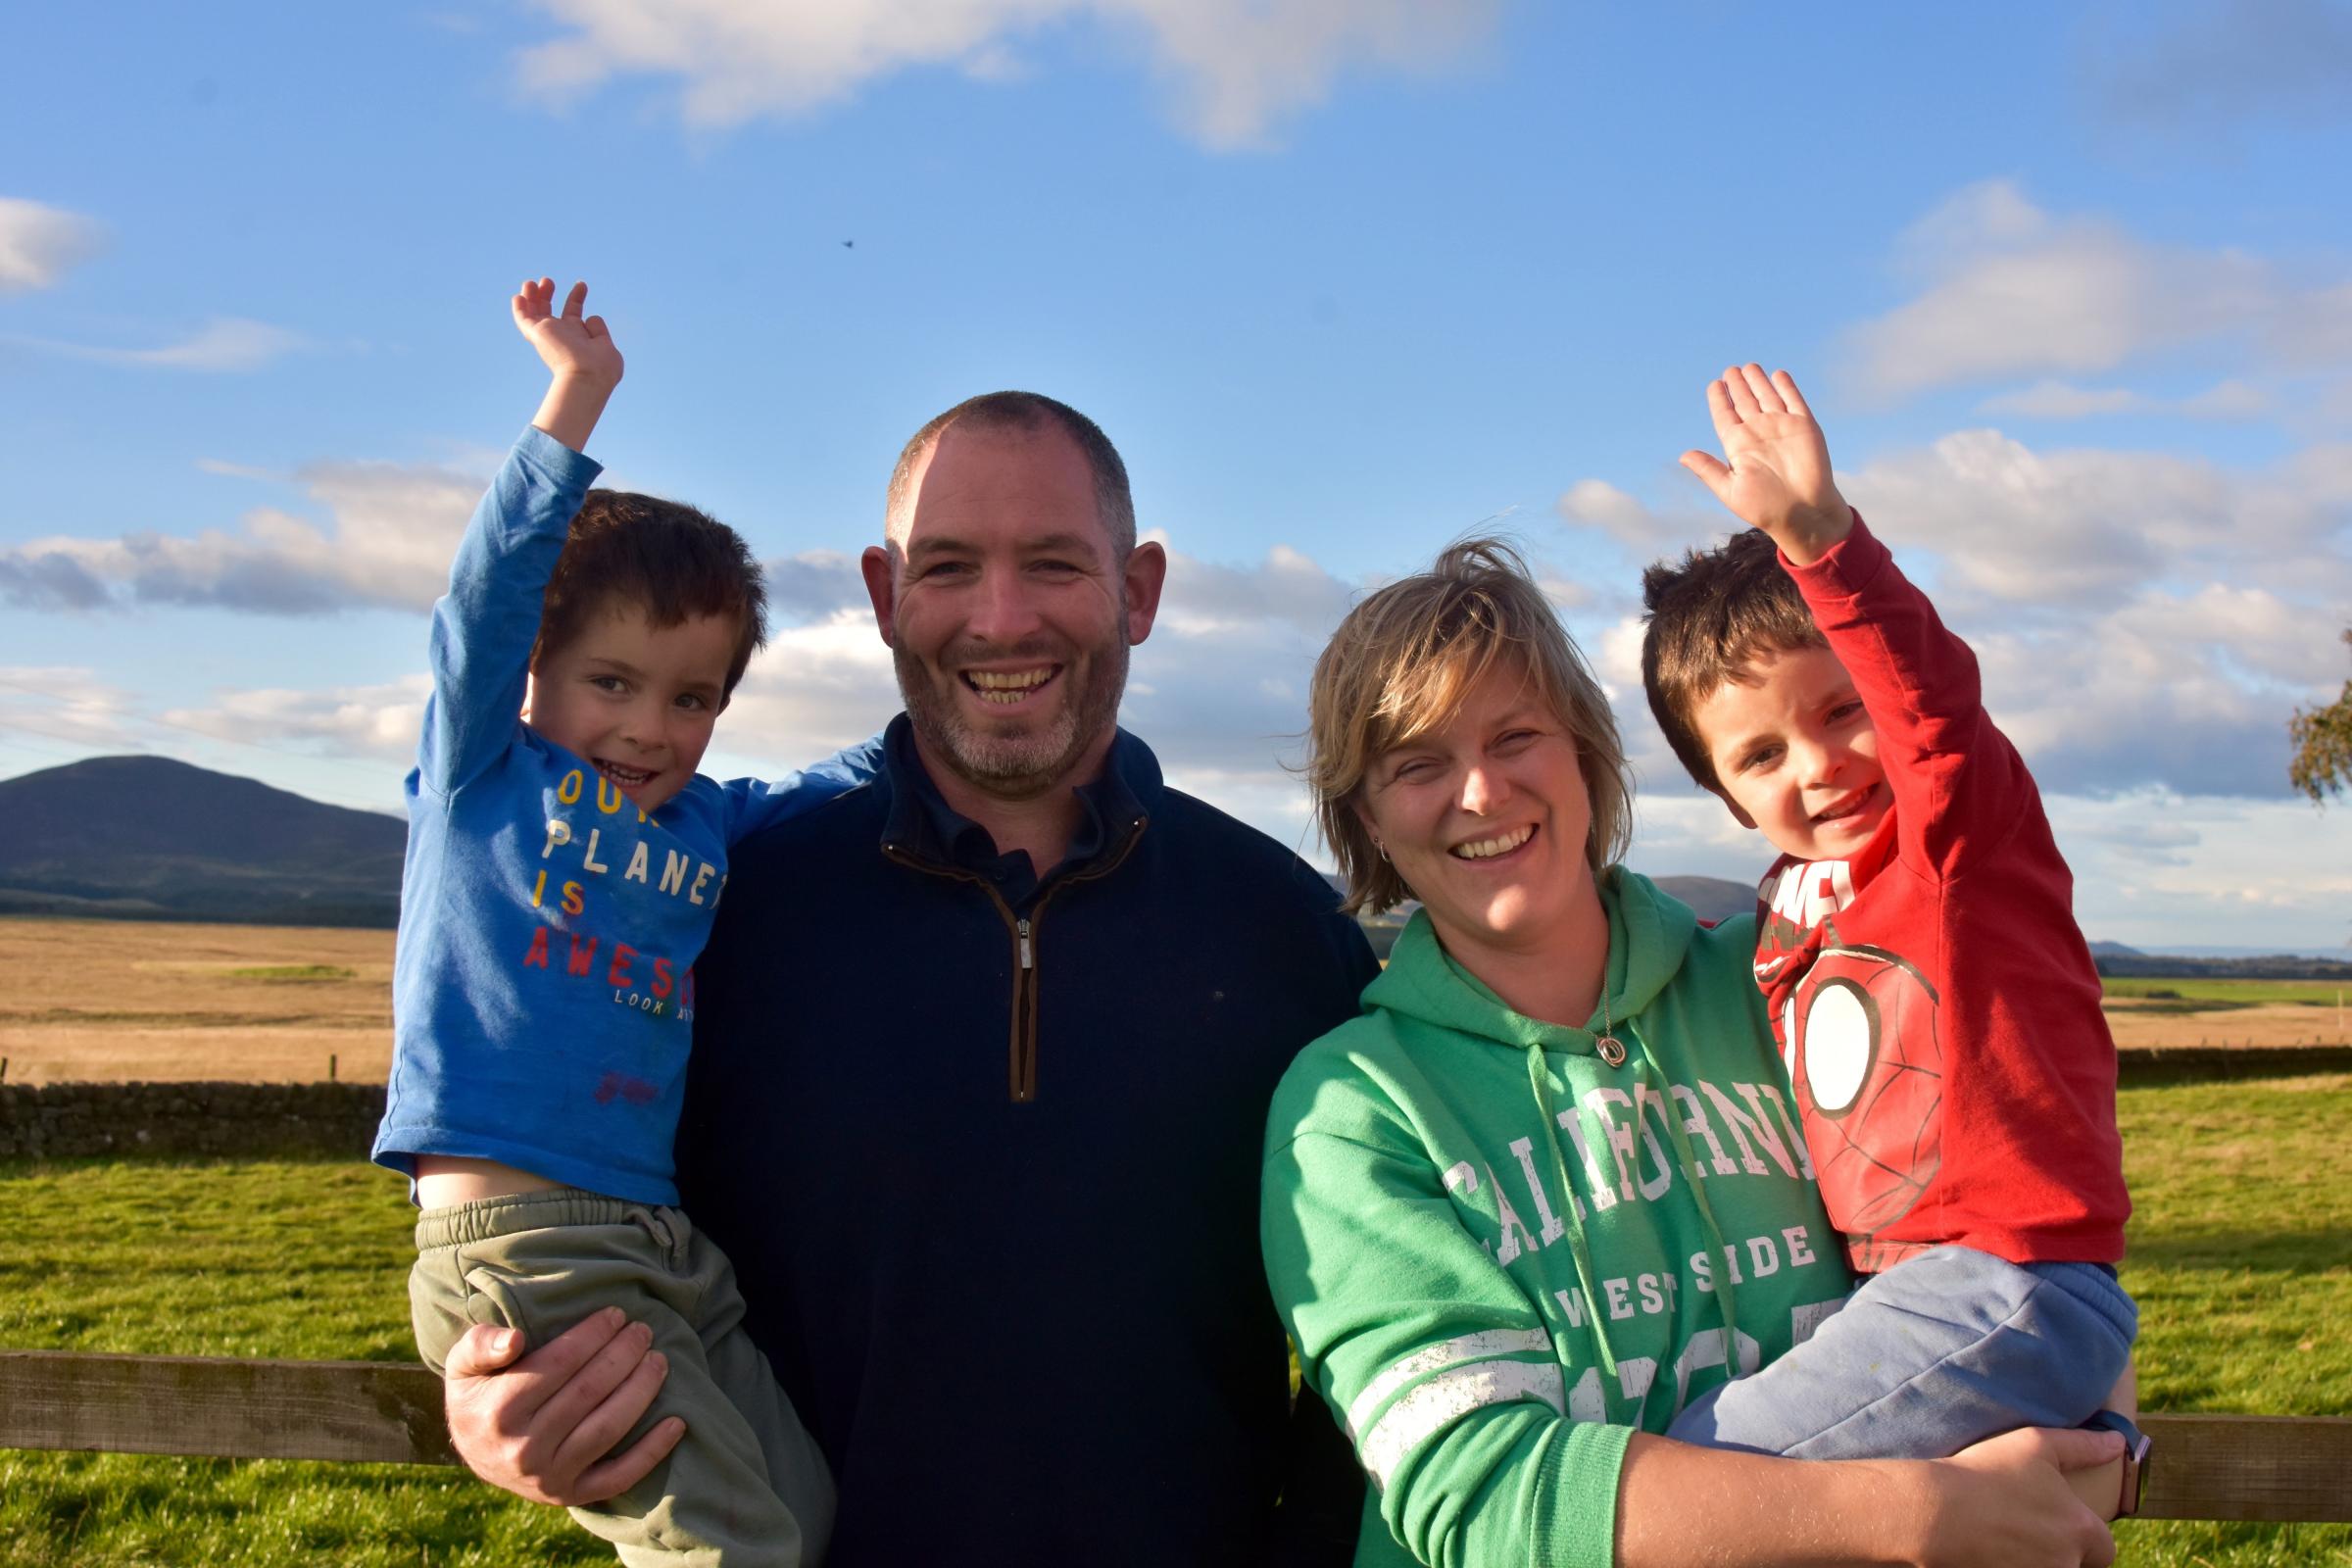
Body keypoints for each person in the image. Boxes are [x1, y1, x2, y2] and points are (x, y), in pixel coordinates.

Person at [433, 389, 1380, 1565]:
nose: (1000, 618)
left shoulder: (1291, 931)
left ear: (1137, 590)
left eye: (1051, 563)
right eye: (947, 567)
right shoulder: (718, 906)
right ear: (884, 597)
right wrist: (501, 1392)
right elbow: (537, 1187)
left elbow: (1385, 1358)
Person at [1261, 536, 2128, 1567]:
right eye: (1418, 764)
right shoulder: (1352, 1114)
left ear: (1585, 749)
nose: (1482, 792)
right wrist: (1910, 1517)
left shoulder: (1786, 987)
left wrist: (2103, 1426)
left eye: (1516, 736)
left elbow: (2003, 1219)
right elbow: (1485, 1498)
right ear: (1366, 815)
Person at [375, 278, 876, 1567]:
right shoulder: (488, 777)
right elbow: (480, 603)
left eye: (693, 697)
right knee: (732, 1551)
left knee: (806, 1519)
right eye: (612, 682)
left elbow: (844, 786)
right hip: (528, 1245)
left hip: (664, 1241)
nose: (652, 729)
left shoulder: (703, 822)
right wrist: (574, 396)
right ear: (535, 672)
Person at [1639, 366, 2142, 1479]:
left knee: (1704, 1482)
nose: (1817, 765)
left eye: (1842, 712)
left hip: (2005, 1281)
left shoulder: (1956, 835)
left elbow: (1933, 709)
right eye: (1761, 754)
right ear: (1724, 794)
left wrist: (1822, 541)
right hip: (1906, 1295)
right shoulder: (1778, 914)